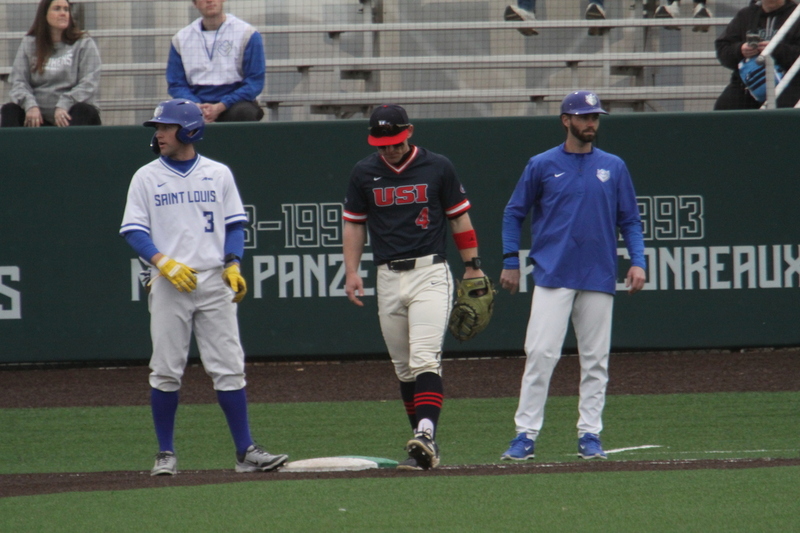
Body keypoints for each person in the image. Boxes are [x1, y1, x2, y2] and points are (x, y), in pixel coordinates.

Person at [119, 99, 287, 476]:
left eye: (166, 127)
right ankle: (165, 453)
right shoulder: (146, 176)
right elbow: (133, 230)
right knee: (165, 369)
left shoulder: (218, 173)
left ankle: (245, 451)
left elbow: (234, 225)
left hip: (213, 280)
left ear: (189, 130)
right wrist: (163, 262)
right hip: (168, 282)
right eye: (158, 127)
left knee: (229, 367)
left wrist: (233, 263)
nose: (160, 134)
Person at [498, 91, 646, 462]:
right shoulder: (541, 164)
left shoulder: (613, 166)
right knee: (540, 354)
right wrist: (510, 261)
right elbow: (514, 213)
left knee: (596, 359)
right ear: (566, 120)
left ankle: (590, 434)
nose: (591, 123)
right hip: (553, 272)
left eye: (595, 117)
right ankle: (525, 434)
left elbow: (630, 219)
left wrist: (638, 261)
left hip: (598, 274)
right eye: (584, 117)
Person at [343, 104, 486, 471]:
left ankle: (425, 433)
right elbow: (355, 223)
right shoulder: (363, 172)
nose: (390, 149)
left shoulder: (437, 166)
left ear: (409, 132)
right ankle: (423, 446)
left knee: (424, 359)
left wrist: (472, 266)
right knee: (404, 369)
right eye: (383, 143)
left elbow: (459, 218)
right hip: (388, 276)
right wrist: (352, 270)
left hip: (430, 272)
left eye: (395, 141)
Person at [1, 0, 101, 127]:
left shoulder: (84, 43)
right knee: (9, 110)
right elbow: (18, 81)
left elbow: (89, 83)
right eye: (57, 9)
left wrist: (64, 104)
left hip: (71, 114)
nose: (63, 13)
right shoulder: (29, 44)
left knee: (83, 110)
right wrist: (30, 106)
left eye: (66, 9)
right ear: (44, 14)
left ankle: (71, 140)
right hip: (38, 118)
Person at [167, 0, 265, 123]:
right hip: (195, 103)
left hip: (235, 103)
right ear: (195, 3)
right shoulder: (181, 38)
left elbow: (254, 82)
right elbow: (176, 84)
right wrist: (196, 106)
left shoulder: (247, 33)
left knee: (244, 112)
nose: (209, 1)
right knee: (165, 117)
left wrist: (222, 105)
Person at [714, 0, 800, 110]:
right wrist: (740, 50)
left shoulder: (796, 15)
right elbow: (723, 49)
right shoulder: (746, 15)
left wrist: (776, 50)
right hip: (747, 83)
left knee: (785, 110)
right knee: (724, 108)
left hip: (789, 82)